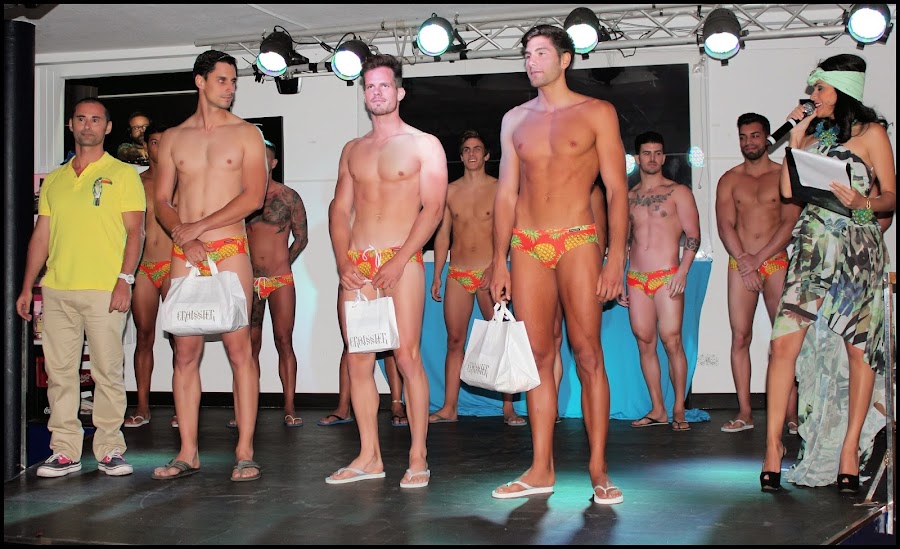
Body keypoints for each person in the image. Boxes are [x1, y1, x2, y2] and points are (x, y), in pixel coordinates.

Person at [488, 25, 628, 504]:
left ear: (565, 59)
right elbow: (506, 194)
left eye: (541, 53)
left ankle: (599, 468)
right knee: (537, 358)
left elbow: (616, 190)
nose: (532, 61)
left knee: (587, 354)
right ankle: (540, 468)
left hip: (577, 239)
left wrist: (616, 257)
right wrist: (499, 260)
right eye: (527, 54)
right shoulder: (514, 119)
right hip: (527, 244)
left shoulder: (597, 112)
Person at [760, 53, 894, 493]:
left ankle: (849, 450)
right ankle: (773, 448)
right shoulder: (814, 136)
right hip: (812, 247)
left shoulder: (872, 134)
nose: (812, 95)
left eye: (819, 88)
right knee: (783, 346)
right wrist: (796, 138)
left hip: (857, 249)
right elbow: (788, 191)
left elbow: (891, 196)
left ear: (842, 90)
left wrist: (863, 204)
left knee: (859, 351)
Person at [326, 53, 447, 488]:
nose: (377, 92)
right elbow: (339, 209)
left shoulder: (423, 144)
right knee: (358, 359)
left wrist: (399, 260)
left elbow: (433, 208)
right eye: (370, 86)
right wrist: (342, 260)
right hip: (358, 264)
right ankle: (369, 456)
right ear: (364, 95)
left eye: (384, 85)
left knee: (406, 356)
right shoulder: (353, 150)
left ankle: (417, 456)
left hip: (403, 259)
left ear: (399, 92)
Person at [151, 50, 268, 482]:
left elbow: (254, 196)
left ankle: (245, 452)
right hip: (185, 251)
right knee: (185, 353)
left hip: (229, 247)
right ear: (199, 81)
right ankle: (188, 452)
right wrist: (184, 234)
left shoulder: (247, 134)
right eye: (222, 79)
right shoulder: (173, 138)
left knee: (241, 351)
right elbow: (161, 201)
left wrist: (196, 228)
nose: (230, 87)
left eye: (234, 81)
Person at [16, 97, 145, 477]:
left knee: (107, 373)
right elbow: (41, 235)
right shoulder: (55, 180)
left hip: (105, 290)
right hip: (57, 290)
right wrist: (27, 287)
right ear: (71, 125)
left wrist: (125, 280)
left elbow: (135, 233)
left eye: (96, 119)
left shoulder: (123, 174)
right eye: (81, 119)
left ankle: (109, 449)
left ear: (108, 127)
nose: (88, 125)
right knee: (60, 375)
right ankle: (64, 451)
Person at [428, 129, 526, 427]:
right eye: (467, 149)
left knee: (501, 338)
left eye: (477, 149)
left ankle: (508, 408)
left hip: (490, 273)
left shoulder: (499, 189)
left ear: (486, 155)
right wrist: (437, 275)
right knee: (455, 340)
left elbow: (510, 231)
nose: (472, 154)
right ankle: (449, 407)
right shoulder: (450, 191)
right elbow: (443, 235)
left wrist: (497, 266)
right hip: (458, 273)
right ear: (461, 157)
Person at [715, 113, 802, 435]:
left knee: (784, 341)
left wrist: (758, 259)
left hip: (774, 260)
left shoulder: (783, 176)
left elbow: (789, 223)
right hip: (740, 264)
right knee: (740, 337)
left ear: (767, 138)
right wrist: (744, 260)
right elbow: (725, 224)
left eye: (754, 136)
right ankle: (745, 412)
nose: (748, 142)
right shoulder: (729, 179)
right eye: (743, 136)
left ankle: (791, 415)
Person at [618, 132, 700, 432]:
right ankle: (658, 409)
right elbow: (624, 241)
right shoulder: (628, 197)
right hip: (636, 278)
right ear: (637, 158)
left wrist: (682, 272)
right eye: (646, 153)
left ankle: (678, 408)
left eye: (657, 153)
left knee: (671, 339)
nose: (652, 158)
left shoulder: (679, 192)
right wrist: (619, 279)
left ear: (663, 157)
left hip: (668, 276)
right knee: (644, 341)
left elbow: (693, 235)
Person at [228, 139, 308, 428]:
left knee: (284, 340)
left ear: (273, 163)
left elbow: (301, 237)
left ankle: (289, 407)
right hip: (247, 280)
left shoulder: (288, 197)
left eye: (265, 157)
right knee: (248, 346)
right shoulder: (238, 197)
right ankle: (245, 409)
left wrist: (282, 263)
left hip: (279, 279)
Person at [125, 121, 178, 429]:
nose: (159, 148)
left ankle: (181, 407)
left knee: (179, 340)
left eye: (164, 142)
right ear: (146, 146)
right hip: (144, 267)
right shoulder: (136, 183)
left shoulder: (182, 181)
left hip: (173, 265)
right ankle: (142, 406)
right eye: (154, 142)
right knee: (144, 336)